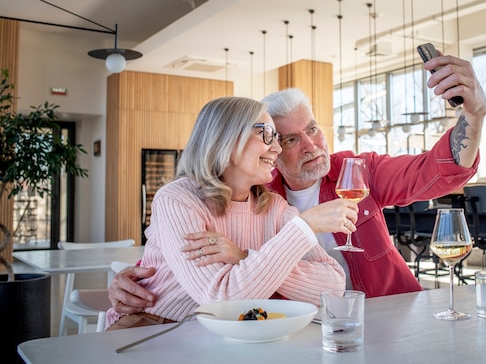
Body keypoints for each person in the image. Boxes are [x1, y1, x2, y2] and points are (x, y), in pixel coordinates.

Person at [108, 52, 486, 314]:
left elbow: (436, 170)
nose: (310, 145)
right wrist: (127, 283)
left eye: (312, 129)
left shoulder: (355, 171)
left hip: (385, 308)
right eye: (287, 138)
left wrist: (474, 114)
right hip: (296, 326)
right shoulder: (257, 193)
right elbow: (190, 259)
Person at [105, 96, 354, 329]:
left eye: (276, 137)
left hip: (225, 335)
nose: (277, 148)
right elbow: (220, 298)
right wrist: (304, 228)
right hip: (149, 330)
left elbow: (333, 285)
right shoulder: (177, 200)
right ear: (225, 139)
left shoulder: (275, 208)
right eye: (265, 134)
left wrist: (243, 256)